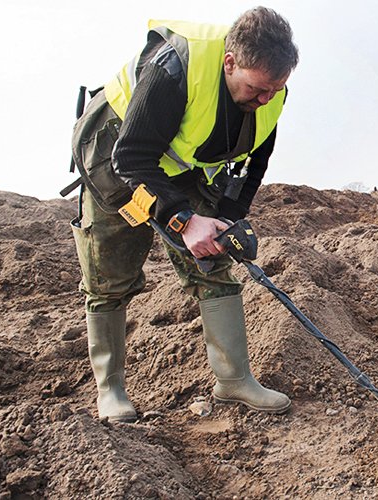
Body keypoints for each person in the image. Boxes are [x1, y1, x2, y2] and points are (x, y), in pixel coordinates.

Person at [70, 8, 299, 422]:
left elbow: (255, 164)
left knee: (213, 261)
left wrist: (227, 218)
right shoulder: (175, 66)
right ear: (230, 62)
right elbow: (132, 156)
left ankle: (233, 380)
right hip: (117, 157)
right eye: (257, 88)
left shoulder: (270, 91)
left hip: (180, 167)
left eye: (275, 89)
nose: (266, 99)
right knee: (109, 274)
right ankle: (111, 390)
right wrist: (185, 221)